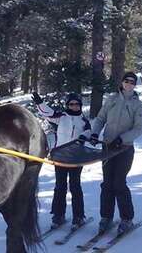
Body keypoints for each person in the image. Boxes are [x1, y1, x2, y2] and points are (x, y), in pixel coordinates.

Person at [89, 72, 142, 235]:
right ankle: (106, 217)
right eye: (126, 81)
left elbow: (138, 129)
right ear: (121, 82)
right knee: (107, 183)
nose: (128, 84)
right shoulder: (112, 100)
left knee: (119, 183)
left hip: (124, 148)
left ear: (135, 85)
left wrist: (122, 139)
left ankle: (127, 218)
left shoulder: (138, 105)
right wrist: (95, 133)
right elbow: (100, 119)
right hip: (107, 147)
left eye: (132, 82)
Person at [32, 91, 90, 229]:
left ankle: (79, 216)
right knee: (60, 187)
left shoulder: (83, 121)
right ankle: (58, 215)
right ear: (67, 105)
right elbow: (48, 113)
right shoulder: (61, 117)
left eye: (76, 104)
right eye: (71, 104)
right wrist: (40, 103)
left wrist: (83, 136)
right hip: (61, 157)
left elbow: (88, 131)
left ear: (80, 106)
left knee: (75, 187)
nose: (74, 106)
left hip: (76, 157)